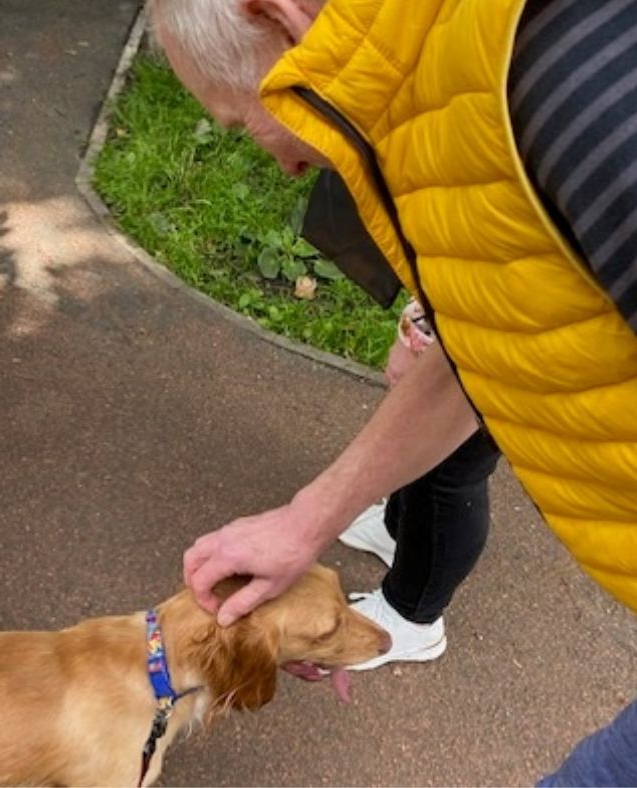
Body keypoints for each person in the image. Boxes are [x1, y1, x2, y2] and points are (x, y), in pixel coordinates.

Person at [148, 0, 637, 783]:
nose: (280, 162)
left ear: (281, 18)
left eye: (249, 120)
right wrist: (308, 521)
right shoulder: (445, 102)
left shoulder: (571, 78)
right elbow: (483, 345)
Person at [337, 299, 500, 670]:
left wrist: (418, 339)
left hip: (506, 333)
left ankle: (412, 616)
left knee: (451, 469)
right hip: (484, 317)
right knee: (424, 446)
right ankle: (396, 529)